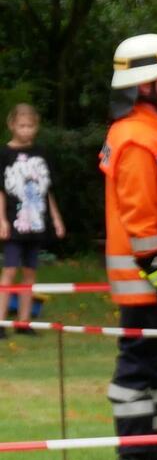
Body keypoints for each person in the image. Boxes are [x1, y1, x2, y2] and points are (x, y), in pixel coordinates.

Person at [100, 33, 157, 460]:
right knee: (138, 369)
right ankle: (134, 458)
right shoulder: (137, 138)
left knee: (153, 369)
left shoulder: (153, 131)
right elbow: (139, 219)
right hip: (147, 280)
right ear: (143, 86)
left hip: (154, 278)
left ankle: (146, 456)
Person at [1, 103, 65, 332]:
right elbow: (0, 190)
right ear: (12, 125)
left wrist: (56, 219)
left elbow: (46, 190)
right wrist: (2, 220)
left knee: (30, 273)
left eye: (30, 126)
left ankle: (23, 322)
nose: (26, 130)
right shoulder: (5, 154)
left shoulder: (41, 154)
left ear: (36, 127)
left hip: (36, 222)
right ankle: (1, 322)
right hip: (13, 222)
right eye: (22, 126)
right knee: (9, 270)